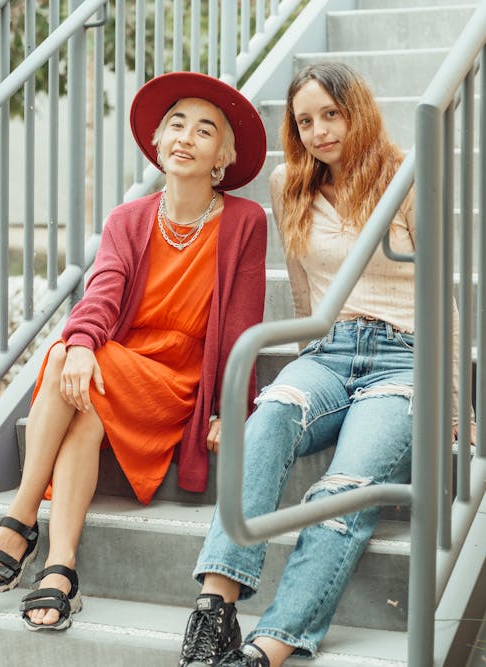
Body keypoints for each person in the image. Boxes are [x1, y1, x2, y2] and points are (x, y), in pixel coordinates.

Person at [178, 62, 475, 667]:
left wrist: (453, 401)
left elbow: (444, 296)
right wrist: (303, 365)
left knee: (343, 487)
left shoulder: (404, 177)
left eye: (330, 115)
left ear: (356, 110)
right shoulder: (289, 183)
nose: (317, 131)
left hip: (403, 360)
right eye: (304, 120)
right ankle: (216, 606)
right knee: (266, 421)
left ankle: (272, 646)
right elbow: (309, 294)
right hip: (329, 351)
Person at [0, 71, 268, 632]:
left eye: (204, 129)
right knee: (78, 379)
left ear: (222, 156)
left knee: (75, 361)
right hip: (115, 366)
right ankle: (61, 565)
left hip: (177, 374)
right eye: (176, 125)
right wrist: (83, 344)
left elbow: (242, 323)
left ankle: (19, 519)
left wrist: (229, 406)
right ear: (159, 142)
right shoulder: (128, 218)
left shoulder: (245, 221)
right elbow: (103, 294)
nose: (186, 137)